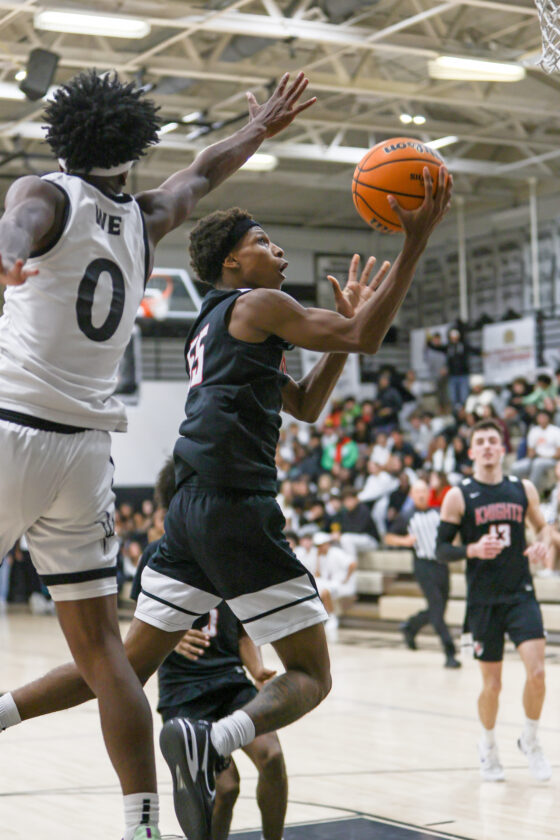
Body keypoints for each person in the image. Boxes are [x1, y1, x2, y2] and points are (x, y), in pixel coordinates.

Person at [0, 165, 452, 840]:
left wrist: (349, 323)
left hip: (190, 508)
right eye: (265, 242)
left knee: (121, 667)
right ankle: (212, 740)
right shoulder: (258, 304)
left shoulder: (215, 325)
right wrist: (414, 244)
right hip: (236, 504)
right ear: (233, 262)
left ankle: (2, 712)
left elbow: (307, 404)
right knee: (312, 673)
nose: (281, 251)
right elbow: (362, 337)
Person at [0, 67, 317, 840]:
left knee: (109, 654)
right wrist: (258, 128)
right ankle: (141, 823)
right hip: (85, 453)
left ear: (63, 141)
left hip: (11, 424)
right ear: (134, 149)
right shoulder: (148, 217)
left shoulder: (44, 192)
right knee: (107, 653)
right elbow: (203, 172)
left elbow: (21, 221)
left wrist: (7, 250)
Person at [130, 460, 287, 840]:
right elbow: (139, 635)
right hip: (183, 690)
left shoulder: (232, 552)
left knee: (273, 757)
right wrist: (171, 638)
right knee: (226, 789)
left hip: (230, 681)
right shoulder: (157, 555)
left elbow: (242, 631)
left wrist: (257, 668)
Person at [436, 419, 552, 782]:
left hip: (521, 594)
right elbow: (440, 549)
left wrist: (542, 544)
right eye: (481, 442)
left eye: (492, 440)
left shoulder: (522, 488)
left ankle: (530, 740)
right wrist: (471, 549)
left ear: (502, 449)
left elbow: (543, 528)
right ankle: (487, 744)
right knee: (493, 685)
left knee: (538, 673)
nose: (487, 446)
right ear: (471, 451)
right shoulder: (458, 495)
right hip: (483, 600)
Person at [385, 480, 460, 669]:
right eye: (417, 492)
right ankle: (450, 651)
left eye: (424, 491)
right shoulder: (406, 516)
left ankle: (411, 626)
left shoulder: (438, 512)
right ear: (412, 495)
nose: (421, 495)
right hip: (423, 566)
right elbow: (389, 537)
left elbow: (451, 531)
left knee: (439, 609)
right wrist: (404, 541)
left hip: (441, 564)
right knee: (436, 608)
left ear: (429, 494)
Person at [511, 408, 560, 493]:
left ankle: (531, 492)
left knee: (538, 464)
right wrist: (532, 455)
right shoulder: (534, 431)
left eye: (543, 417)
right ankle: (516, 491)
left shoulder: (555, 431)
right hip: (535, 458)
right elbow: (530, 451)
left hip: (551, 459)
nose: (541, 419)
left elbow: (558, 454)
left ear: (548, 418)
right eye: (539, 417)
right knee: (515, 467)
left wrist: (543, 456)